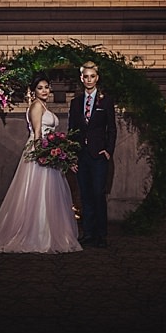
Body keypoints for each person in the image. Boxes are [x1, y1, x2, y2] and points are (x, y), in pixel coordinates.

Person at [0, 72, 83, 254]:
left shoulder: (42, 106)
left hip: (48, 152)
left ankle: (48, 232)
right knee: (38, 193)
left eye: (46, 87)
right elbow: (38, 134)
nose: (45, 90)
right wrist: (45, 154)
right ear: (33, 91)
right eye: (40, 88)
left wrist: (58, 152)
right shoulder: (36, 107)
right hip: (39, 153)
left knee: (48, 194)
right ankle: (39, 234)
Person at [68, 61, 117, 248]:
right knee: (85, 195)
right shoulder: (75, 103)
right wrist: (72, 155)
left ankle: (101, 234)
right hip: (81, 155)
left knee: (98, 194)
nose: (89, 79)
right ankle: (88, 233)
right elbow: (71, 129)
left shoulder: (106, 101)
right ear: (81, 78)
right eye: (85, 76)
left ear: (97, 78)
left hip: (99, 156)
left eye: (92, 76)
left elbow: (112, 128)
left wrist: (108, 150)